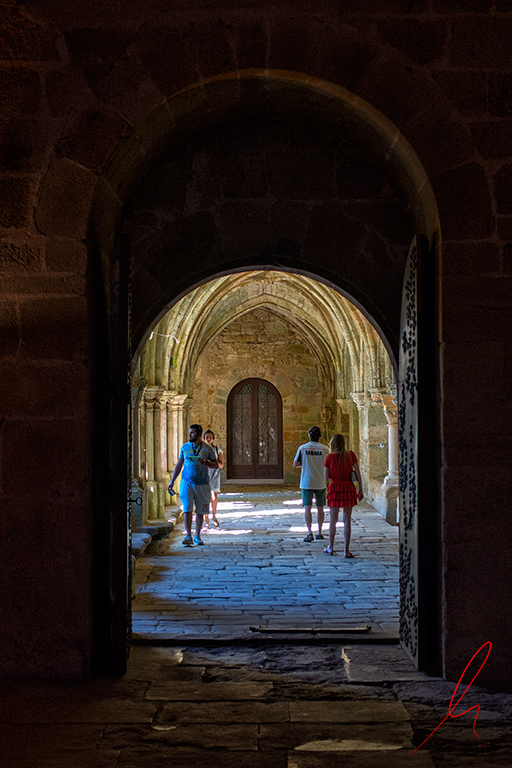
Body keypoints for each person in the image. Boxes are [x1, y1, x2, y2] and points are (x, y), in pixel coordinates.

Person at [168, 424, 218, 547]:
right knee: (187, 509)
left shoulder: (207, 449)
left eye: (193, 433)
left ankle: (197, 535)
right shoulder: (184, 447)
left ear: (199, 434)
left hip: (202, 483)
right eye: (190, 433)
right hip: (186, 482)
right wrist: (172, 481)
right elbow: (179, 464)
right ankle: (188, 535)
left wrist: (206, 462)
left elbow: (216, 464)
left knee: (200, 510)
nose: (190, 435)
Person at [323, 433, 363, 557]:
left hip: (335, 487)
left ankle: (331, 547)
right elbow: (357, 473)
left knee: (333, 520)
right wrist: (360, 489)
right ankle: (346, 550)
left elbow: (326, 476)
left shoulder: (329, 457)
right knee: (347, 520)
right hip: (348, 487)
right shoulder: (351, 455)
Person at [293, 426, 329, 542]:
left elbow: (295, 464)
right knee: (320, 508)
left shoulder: (303, 448)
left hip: (306, 482)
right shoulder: (325, 449)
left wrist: (305, 464)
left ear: (309, 436)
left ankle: (309, 532)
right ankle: (319, 532)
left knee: (307, 508)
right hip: (320, 482)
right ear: (319, 437)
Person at [203, 429, 223, 529]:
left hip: (214, 475)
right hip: (204, 475)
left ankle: (214, 516)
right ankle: (206, 520)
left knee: (214, 497)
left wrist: (212, 463)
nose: (209, 439)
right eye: (207, 437)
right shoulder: (201, 450)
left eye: (210, 437)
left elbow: (221, 465)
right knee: (205, 497)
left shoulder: (217, 450)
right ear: (204, 438)